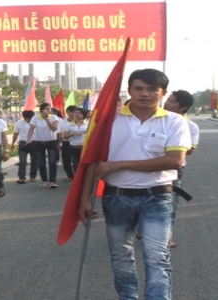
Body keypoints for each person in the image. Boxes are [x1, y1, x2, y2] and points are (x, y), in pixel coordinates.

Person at [79, 69, 191, 299]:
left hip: (157, 198)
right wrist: (83, 200)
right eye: (138, 88)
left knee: (157, 257)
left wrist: (119, 165)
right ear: (129, 90)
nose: (144, 94)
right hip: (117, 197)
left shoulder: (175, 122)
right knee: (121, 257)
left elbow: (174, 160)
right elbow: (92, 161)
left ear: (162, 93)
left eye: (152, 89)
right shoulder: (109, 119)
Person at [163, 89, 200, 248]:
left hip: (173, 171)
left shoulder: (190, 126)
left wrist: (174, 147)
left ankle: (165, 238)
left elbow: (189, 150)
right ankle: (141, 230)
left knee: (170, 205)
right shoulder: (155, 120)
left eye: (172, 101)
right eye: (168, 99)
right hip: (150, 168)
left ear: (183, 107)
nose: (166, 103)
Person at [27, 102, 60, 188]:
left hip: (51, 142)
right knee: (41, 162)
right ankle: (44, 180)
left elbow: (54, 128)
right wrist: (29, 139)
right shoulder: (35, 118)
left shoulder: (54, 117)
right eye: (45, 109)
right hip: (39, 142)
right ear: (41, 110)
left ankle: (53, 181)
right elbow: (31, 129)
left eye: (49, 109)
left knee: (52, 162)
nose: (47, 111)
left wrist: (47, 119)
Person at [10, 110, 37, 184]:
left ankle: (33, 176)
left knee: (34, 161)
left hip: (34, 143)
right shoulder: (19, 123)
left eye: (30, 118)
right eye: (26, 118)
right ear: (24, 117)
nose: (28, 120)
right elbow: (16, 134)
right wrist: (13, 143)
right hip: (23, 143)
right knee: (22, 161)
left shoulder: (36, 122)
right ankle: (21, 177)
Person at [63, 107, 88, 175]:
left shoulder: (87, 124)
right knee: (76, 165)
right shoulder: (69, 125)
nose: (77, 115)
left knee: (85, 165)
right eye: (76, 113)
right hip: (73, 148)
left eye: (79, 113)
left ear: (83, 115)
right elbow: (64, 136)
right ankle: (77, 181)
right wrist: (72, 134)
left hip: (84, 148)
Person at [60, 105, 77, 182]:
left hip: (76, 143)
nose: (71, 114)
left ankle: (77, 175)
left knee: (76, 160)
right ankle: (70, 175)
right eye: (69, 112)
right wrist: (59, 143)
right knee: (66, 160)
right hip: (66, 142)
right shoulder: (63, 122)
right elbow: (60, 133)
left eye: (73, 112)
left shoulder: (80, 122)